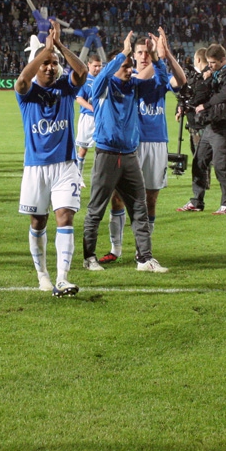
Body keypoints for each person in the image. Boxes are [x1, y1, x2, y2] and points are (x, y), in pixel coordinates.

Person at [81, 30, 173, 274]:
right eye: (126, 65)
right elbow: (100, 77)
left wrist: (156, 56)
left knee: (140, 209)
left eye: (130, 64)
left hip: (130, 156)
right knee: (96, 209)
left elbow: (162, 83)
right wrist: (123, 51)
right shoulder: (103, 86)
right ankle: (89, 257)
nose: (130, 68)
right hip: (107, 155)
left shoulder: (135, 86)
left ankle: (145, 259)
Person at [99, 29, 186, 264]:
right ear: (134, 55)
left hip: (156, 143)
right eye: (140, 52)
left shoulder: (160, 78)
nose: (145, 55)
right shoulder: (128, 78)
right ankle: (115, 248)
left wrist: (166, 55)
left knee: (150, 199)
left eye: (148, 52)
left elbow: (181, 80)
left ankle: (142, 251)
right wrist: (155, 58)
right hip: (131, 144)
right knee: (117, 198)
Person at [14, 23, 87, 296]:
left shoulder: (66, 88)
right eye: (45, 63)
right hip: (35, 167)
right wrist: (43, 52)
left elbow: (80, 73)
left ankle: (63, 277)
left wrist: (58, 48)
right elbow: (21, 82)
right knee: (38, 222)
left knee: (65, 216)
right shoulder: (28, 94)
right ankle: (42, 274)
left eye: (53, 63)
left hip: (65, 165)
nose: (49, 67)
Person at [177, 43, 226, 214]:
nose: (210, 66)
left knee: (221, 165)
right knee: (199, 161)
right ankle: (196, 201)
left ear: (223, 59)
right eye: (209, 62)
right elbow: (200, 93)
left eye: (213, 63)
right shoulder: (213, 74)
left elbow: (224, 95)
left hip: (225, 125)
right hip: (211, 124)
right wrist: (205, 81)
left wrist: (205, 105)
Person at [73, 55, 103, 182]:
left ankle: (99, 177)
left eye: (99, 66)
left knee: (102, 149)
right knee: (83, 150)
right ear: (89, 65)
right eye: (95, 66)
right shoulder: (84, 80)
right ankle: (78, 177)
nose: (97, 68)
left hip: (102, 118)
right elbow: (79, 98)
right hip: (88, 118)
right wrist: (92, 108)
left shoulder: (103, 79)